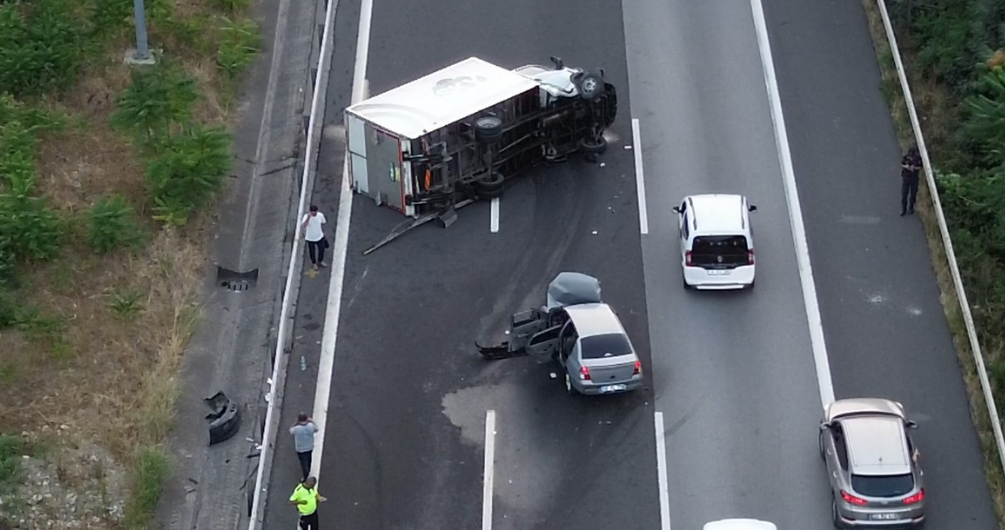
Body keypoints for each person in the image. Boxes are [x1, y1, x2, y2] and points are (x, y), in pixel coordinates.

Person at [289, 413, 318, 480]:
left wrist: (295, 423)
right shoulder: (310, 426)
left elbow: (290, 430)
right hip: (309, 446)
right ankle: (308, 469)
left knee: (303, 462)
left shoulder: (296, 428)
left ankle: (306, 475)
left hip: (300, 448)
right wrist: (312, 421)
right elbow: (317, 429)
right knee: (308, 460)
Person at [301, 205, 328, 269]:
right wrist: (308, 218)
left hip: (319, 236)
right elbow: (303, 226)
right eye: (312, 212)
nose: (314, 213)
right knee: (312, 251)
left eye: (315, 212)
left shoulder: (320, 215)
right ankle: (314, 263)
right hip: (310, 238)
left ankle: (320, 261)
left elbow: (323, 223)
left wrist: (323, 233)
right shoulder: (306, 217)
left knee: (322, 249)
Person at [900, 146, 922, 216]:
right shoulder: (906, 157)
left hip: (914, 178)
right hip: (906, 177)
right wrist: (907, 167)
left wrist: (914, 168)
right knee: (904, 194)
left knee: (913, 194)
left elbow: (920, 167)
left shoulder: (918, 159)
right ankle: (903, 209)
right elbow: (902, 164)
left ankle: (911, 208)